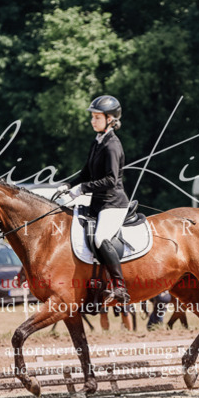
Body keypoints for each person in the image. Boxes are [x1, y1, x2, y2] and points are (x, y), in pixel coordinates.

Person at [54, 95, 131, 304]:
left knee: (100, 238)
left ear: (110, 119)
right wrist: (68, 185)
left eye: (97, 117)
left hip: (113, 203)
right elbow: (86, 173)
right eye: (93, 117)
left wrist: (82, 188)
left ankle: (120, 287)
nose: (92, 121)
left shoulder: (112, 145)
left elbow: (110, 180)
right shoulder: (97, 142)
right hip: (97, 203)